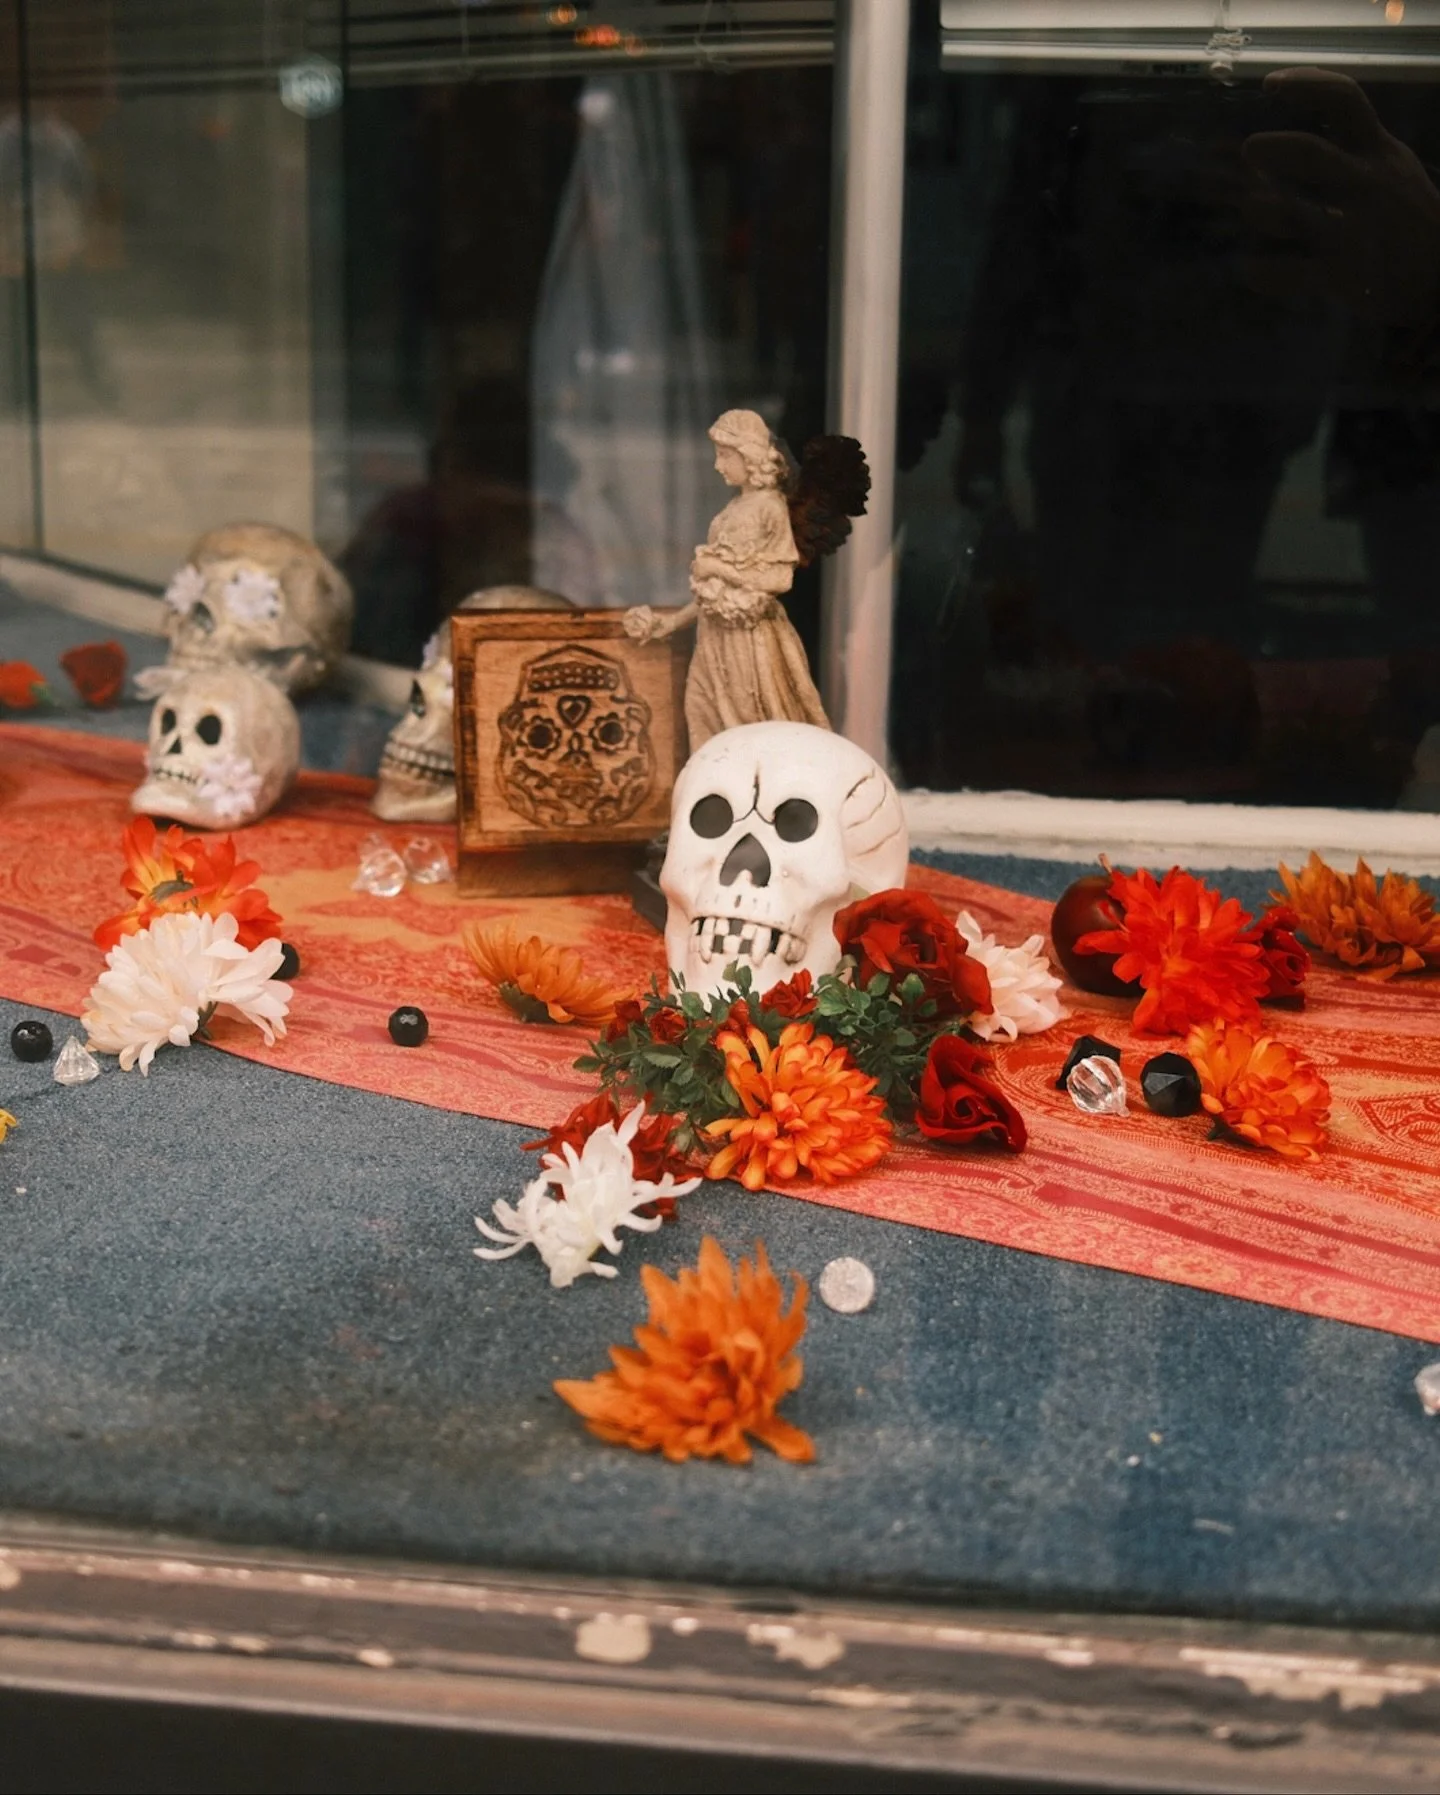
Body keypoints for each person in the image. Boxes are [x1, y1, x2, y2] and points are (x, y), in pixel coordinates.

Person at [624, 407, 828, 746]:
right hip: (713, 638)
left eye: (725, 455)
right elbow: (711, 593)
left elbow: (780, 579)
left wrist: (717, 568)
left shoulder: (771, 508)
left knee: (749, 728)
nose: (718, 465)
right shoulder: (729, 512)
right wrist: (671, 622)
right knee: (701, 714)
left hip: (749, 642)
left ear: (749, 456)